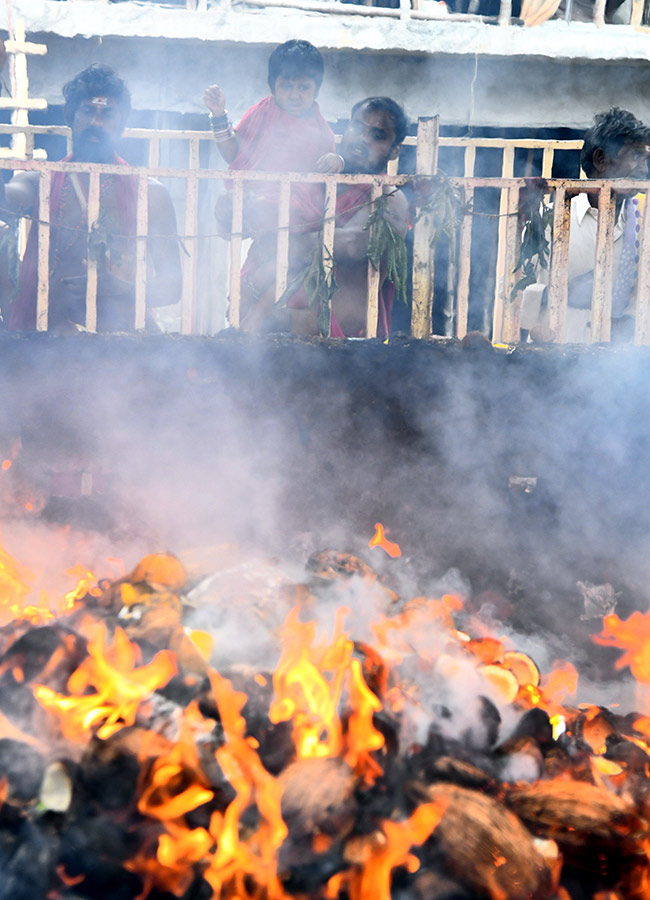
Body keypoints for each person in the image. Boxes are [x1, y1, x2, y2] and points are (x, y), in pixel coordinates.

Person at [2, 64, 182, 332]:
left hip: (119, 339)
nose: (96, 122)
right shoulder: (38, 184)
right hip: (47, 332)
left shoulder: (151, 194)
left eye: (107, 113)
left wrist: (122, 289)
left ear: (121, 124)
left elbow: (172, 287)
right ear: (69, 116)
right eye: (88, 111)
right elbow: (5, 199)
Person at [244, 96, 409, 337]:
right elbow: (257, 221)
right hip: (274, 337)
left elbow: (351, 243)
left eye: (377, 135)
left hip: (341, 345)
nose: (362, 139)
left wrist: (282, 250)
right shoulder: (317, 179)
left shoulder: (389, 196)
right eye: (357, 127)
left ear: (395, 150)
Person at [204, 40, 342, 326]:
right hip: (264, 223)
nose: (295, 95)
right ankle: (247, 326)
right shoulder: (261, 113)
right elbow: (234, 153)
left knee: (282, 284)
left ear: (316, 88)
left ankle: (253, 320)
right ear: (273, 86)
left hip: (302, 230)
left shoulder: (320, 130)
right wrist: (219, 116)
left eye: (303, 87)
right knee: (255, 291)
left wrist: (337, 161)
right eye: (287, 86)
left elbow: (326, 183)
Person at [521, 107, 650, 343]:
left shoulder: (644, 222)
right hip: (553, 353)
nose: (644, 169)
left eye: (645, 158)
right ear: (601, 160)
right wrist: (563, 293)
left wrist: (629, 320)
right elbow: (517, 290)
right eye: (634, 156)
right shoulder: (549, 218)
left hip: (615, 366)